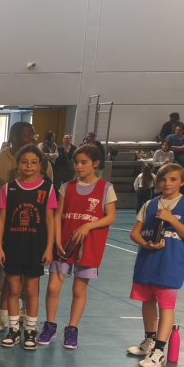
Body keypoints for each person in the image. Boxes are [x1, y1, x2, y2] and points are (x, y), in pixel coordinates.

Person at [41, 145, 116, 349]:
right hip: (65, 245)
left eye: (84, 162)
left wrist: (87, 226)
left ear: (96, 163)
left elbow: (110, 217)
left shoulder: (106, 188)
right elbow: (58, 215)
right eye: (76, 163)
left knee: (78, 289)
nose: (79, 166)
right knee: (53, 287)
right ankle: (50, 325)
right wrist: (56, 240)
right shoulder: (66, 187)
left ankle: (72, 329)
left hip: (89, 246)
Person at [0, 122, 52, 329]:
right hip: (4, 226)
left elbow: (48, 193)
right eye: (28, 135)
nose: (33, 138)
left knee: (28, 277)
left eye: (34, 135)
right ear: (14, 137)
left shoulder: (43, 161)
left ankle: (24, 309)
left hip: (32, 231)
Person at [127, 163, 184, 367]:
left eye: (173, 179)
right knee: (147, 301)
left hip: (170, 265)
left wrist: (171, 220)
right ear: (157, 182)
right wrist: (146, 244)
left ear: (182, 182)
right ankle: (149, 341)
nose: (167, 183)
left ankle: (159, 352)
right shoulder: (149, 204)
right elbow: (134, 233)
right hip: (147, 261)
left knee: (166, 306)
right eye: (163, 179)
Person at [0, 145, 57, 351]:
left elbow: (50, 221)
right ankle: (13, 330)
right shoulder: (8, 189)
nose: (29, 166)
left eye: (33, 162)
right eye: (24, 162)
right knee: (13, 289)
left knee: (31, 290)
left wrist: (49, 248)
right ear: (18, 164)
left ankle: (30, 330)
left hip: (35, 247)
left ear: (40, 165)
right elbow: (1, 220)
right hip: (12, 246)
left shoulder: (47, 189)